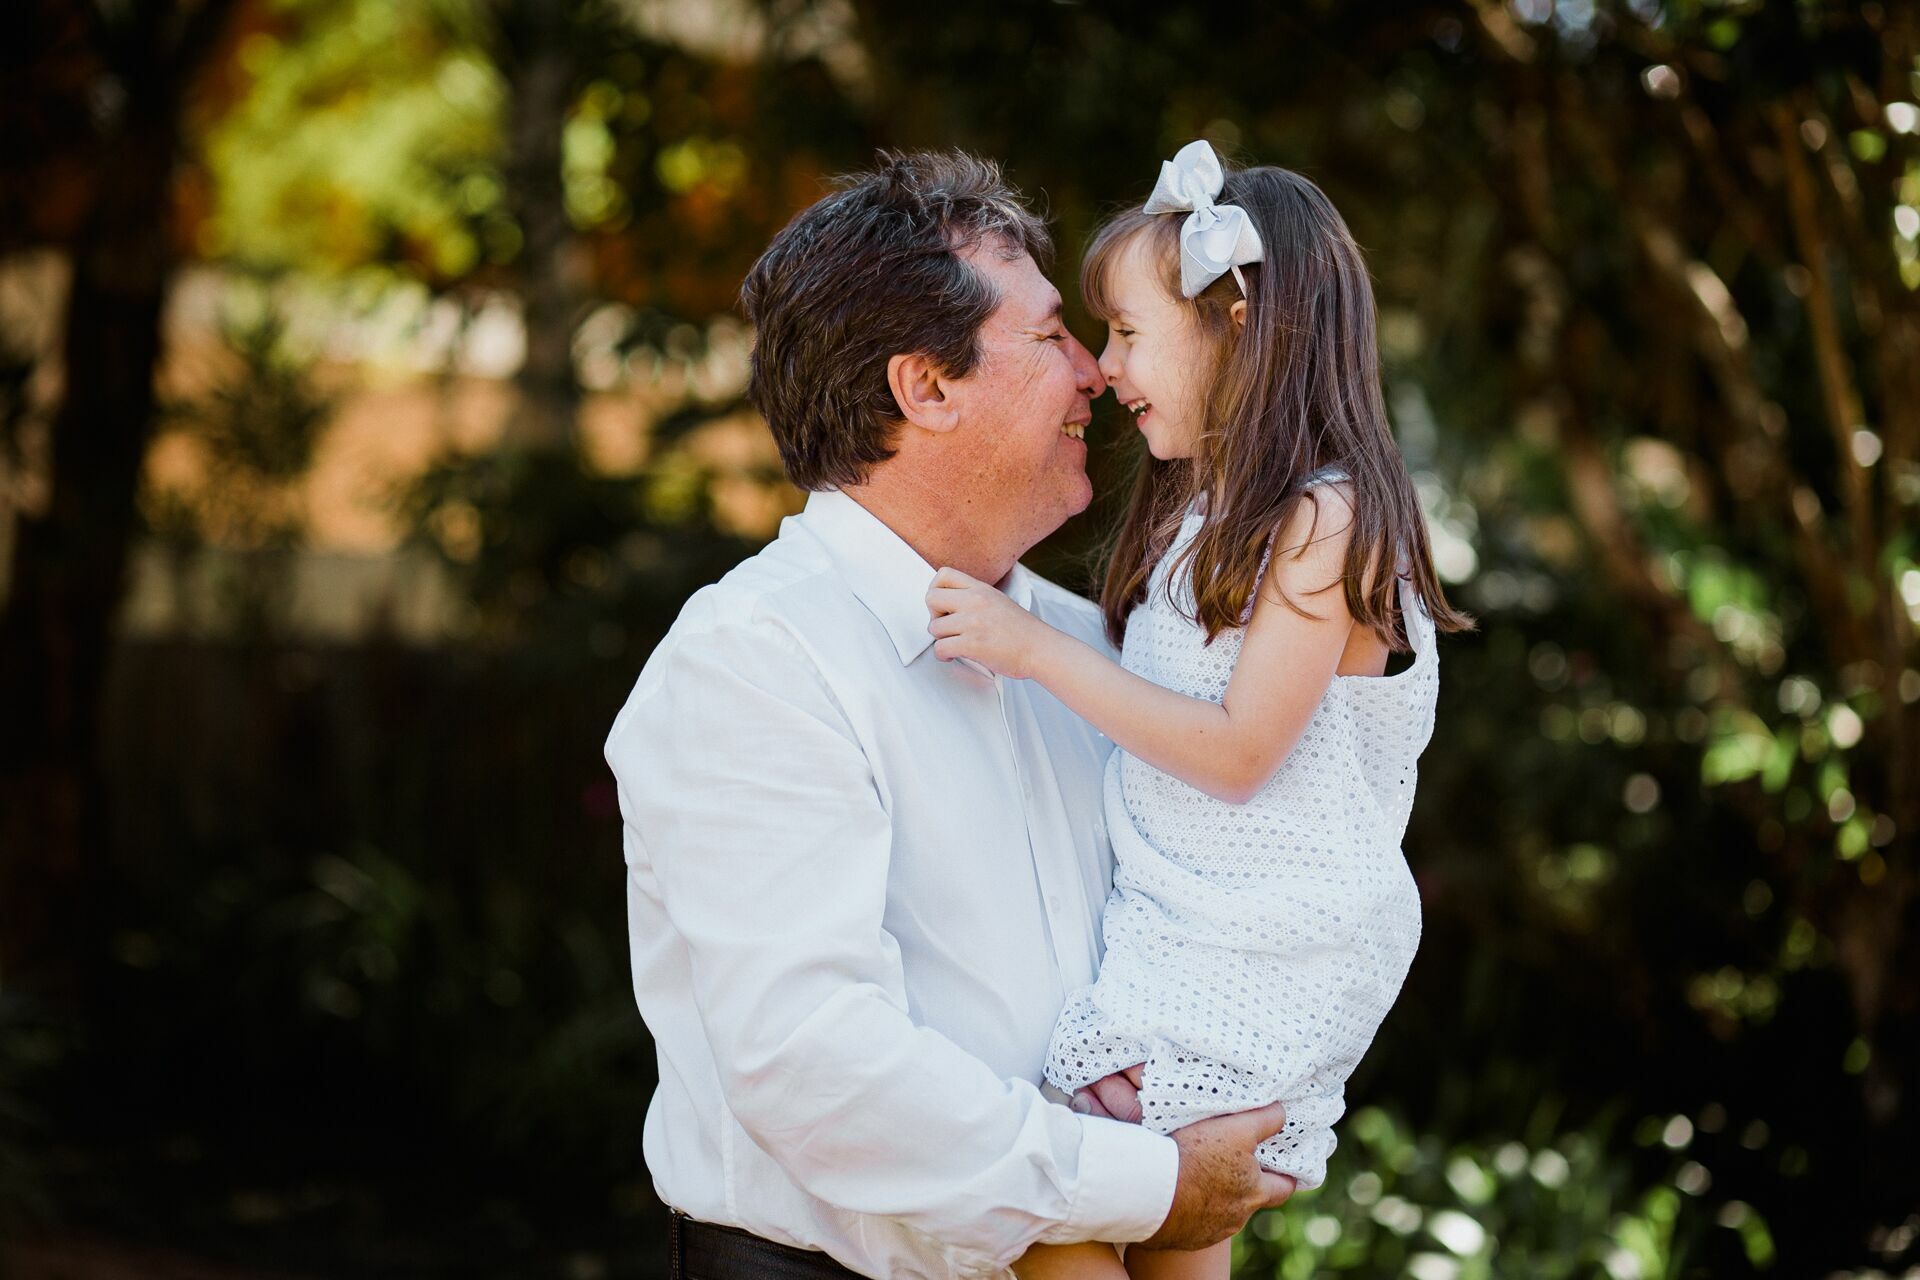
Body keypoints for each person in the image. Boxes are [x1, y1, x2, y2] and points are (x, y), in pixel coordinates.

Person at [603, 150, 1296, 1280]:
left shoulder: (1092, 649)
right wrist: (1154, 1185)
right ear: (925, 386)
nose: (1095, 372)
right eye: (1048, 336)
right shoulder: (751, 664)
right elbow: (820, 1067)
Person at [926, 141, 1477, 1280]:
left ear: (1234, 320)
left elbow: (1234, 753)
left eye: (1128, 331)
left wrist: (1029, 650)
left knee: (1063, 1209)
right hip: (1183, 928)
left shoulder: (1324, 522)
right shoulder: (1207, 509)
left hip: (1267, 945)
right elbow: (1161, 685)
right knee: (1116, 1220)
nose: (1105, 365)